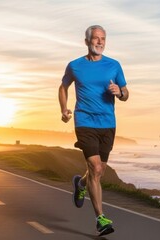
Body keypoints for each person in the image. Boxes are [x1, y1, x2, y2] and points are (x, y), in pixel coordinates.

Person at [58, 25, 129, 236]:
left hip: (108, 123)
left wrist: (120, 92)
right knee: (96, 169)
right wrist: (64, 109)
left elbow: (125, 92)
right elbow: (63, 87)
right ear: (87, 41)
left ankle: (80, 183)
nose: (99, 42)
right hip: (84, 121)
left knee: (99, 170)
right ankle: (101, 219)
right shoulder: (75, 66)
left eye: (103, 39)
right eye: (96, 38)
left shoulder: (114, 65)